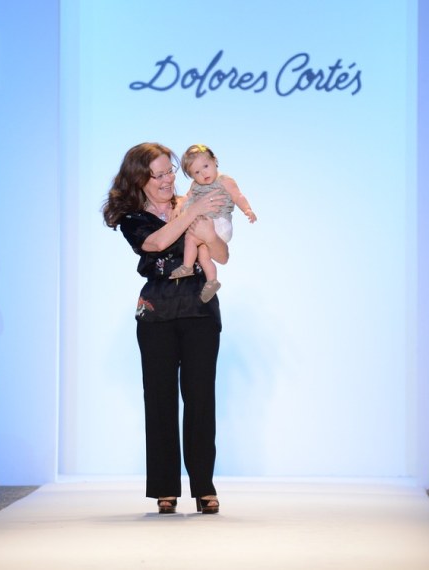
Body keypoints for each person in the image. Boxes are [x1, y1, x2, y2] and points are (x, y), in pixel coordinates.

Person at [102, 142, 228, 514]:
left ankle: (204, 487)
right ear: (139, 180)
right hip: (156, 314)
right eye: (156, 175)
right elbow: (156, 243)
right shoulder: (132, 217)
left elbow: (221, 255)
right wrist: (193, 215)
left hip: (199, 310)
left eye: (169, 170)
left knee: (201, 400)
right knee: (159, 401)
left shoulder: (192, 199)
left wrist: (207, 227)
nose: (166, 180)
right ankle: (164, 489)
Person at [168, 144, 256, 303]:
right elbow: (187, 197)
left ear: (215, 161)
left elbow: (238, 196)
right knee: (202, 254)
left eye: (206, 166)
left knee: (192, 237)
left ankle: (187, 267)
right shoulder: (195, 185)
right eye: (196, 172)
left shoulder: (224, 180)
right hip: (206, 225)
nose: (203, 174)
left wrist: (247, 210)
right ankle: (211, 281)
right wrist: (179, 206)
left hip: (219, 223)